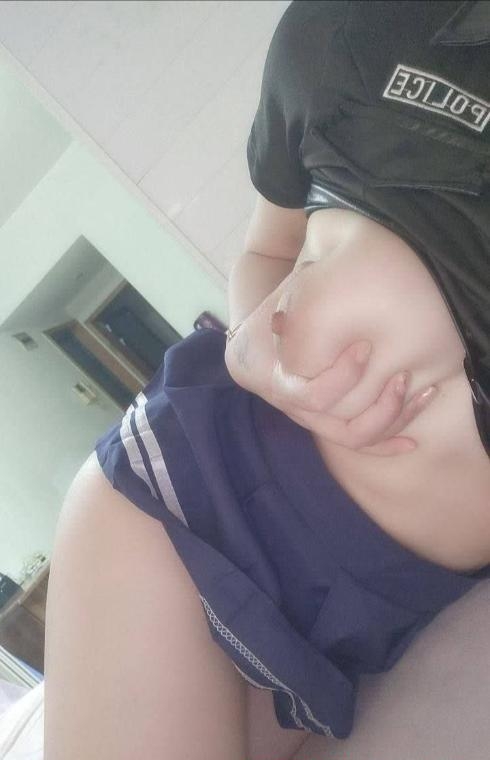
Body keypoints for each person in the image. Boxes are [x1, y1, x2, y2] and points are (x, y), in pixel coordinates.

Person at [44, 2, 490, 759]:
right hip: (191, 518)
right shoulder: (351, 30)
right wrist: (255, 358)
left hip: (379, 609)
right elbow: (268, 251)